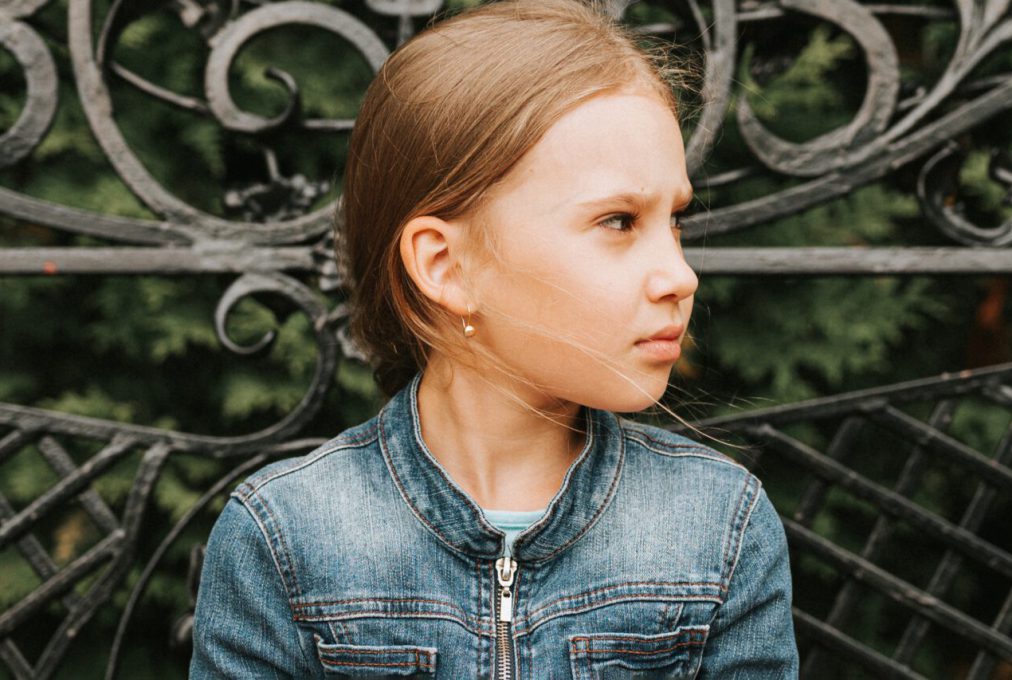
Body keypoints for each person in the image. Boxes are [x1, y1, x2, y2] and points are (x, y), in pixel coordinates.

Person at [189, 0, 799, 676]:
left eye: (675, 219)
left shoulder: (718, 527)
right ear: (446, 266)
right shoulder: (286, 536)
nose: (679, 275)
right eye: (620, 221)